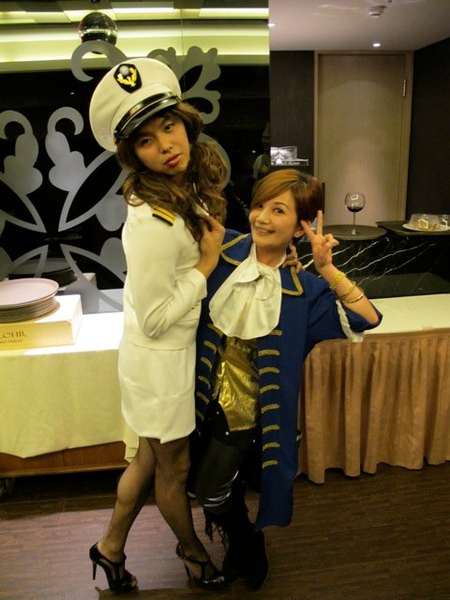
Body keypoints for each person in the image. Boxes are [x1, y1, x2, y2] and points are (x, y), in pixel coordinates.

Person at [192, 169, 382, 590]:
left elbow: (367, 317)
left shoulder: (305, 289)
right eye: (259, 205)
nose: (261, 217)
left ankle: (246, 541)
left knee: (210, 490)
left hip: (250, 416)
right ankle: (242, 542)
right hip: (197, 399)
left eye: (278, 210)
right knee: (202, 482)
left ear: (301, 227)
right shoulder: (222, 250)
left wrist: (327, 269)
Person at [88, 57, 229, 593]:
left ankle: (109, 549)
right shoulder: (151, 219)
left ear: (185, 123)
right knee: (174, 470)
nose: (165, 145)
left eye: (169, 126)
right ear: (134, 154)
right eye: (146, 140)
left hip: (164, 356)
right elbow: (153, 320)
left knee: (148, 460)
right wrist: (205, 267)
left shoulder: (175, 189)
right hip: (159, 361)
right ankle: (192, 555)